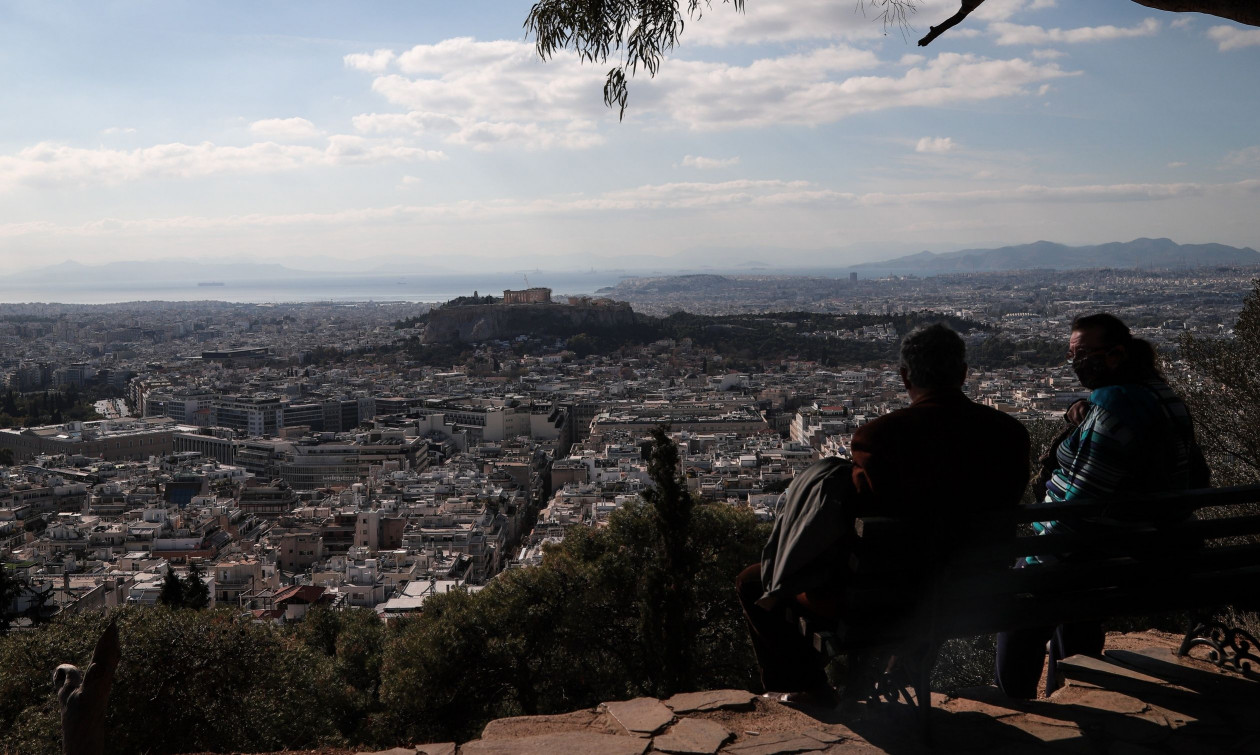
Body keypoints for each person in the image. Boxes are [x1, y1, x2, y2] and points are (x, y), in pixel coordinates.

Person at [737, 323, 1030, 704]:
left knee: (754, 582)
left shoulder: (883, 436)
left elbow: (856, 519)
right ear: (963, 374)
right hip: (978, 592)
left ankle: (808, 686)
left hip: (888, 600)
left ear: (905, 376)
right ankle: (893, 670)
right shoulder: (1009, 433)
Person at [995, 312, 1204, 699]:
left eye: (1084, 353)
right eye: (1072, 355)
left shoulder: (1114, 403)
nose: (1077, 363)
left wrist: (1039, 555)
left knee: (1021, 602)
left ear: (1116, 354)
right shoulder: (1163, 393)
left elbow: (1084, 505)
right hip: (1156, 546)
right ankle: (1077, 688)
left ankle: (1017, 702)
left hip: (1106, 549)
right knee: (1076, 600)